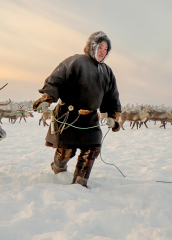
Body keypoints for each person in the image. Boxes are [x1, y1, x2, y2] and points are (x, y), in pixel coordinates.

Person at [33, 31, 121, 188]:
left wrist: (113, 115)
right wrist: (47, 98)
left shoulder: (107, 72)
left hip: (90, 118)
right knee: (67, 150)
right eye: (100, 47)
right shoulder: (75, 61)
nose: (103, 52)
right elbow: (56, 80)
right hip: (69, 116)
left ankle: (80, 183)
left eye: (106, 49)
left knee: (92, 149)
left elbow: (112, 96)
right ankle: (59, 166)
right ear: (92, 46)